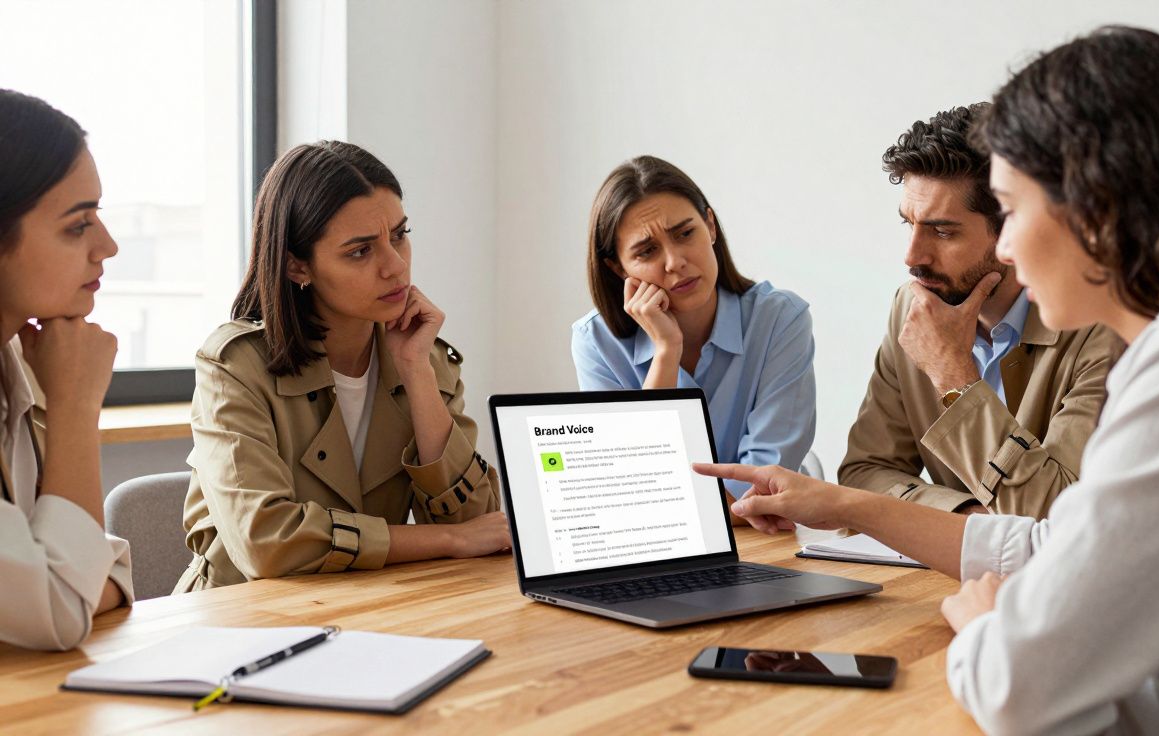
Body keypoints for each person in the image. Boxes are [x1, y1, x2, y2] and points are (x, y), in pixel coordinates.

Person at [696, 26, 1159, 734]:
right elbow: (1060, 546)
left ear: (1097, 208)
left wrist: (987, 625)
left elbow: (1019, 688)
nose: (1010, 247)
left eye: (1012, 211)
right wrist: (843, 504)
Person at [176, 141, 508, 592]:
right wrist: (447, 540)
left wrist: (417, 373)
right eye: (360, 251)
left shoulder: (424, 357)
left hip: (367, 607)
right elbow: (266, 543)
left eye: (400, 235)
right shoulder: (235, 367)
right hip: (238, 615)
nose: (396, 266)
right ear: (297, 267)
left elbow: (481, 526)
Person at [839, 104, 1121, 518]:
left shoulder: (1101, 328)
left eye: (942, 231)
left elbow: (1061, 514)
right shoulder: (912, 309)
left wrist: (954, 377)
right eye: (909, 225)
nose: (912, 257)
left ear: (1011, 230)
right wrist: (966, 517)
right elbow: (865, 473)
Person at [571, 155, 816, 501]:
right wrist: (666, 351)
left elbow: (763, 486)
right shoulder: (596, 342)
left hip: (761, 530)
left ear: (710, 226)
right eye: (647, 251)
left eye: (685, 233)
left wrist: (670, 502)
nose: (675, 262)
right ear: (618, 269)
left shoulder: (780, 319)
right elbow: (629, 486)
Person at [0, 90, 133, 650]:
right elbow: (63, 602)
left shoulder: (16, 364)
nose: (108, 246)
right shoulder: (57, 376)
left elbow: (106, 568)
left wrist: (66, 581)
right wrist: (77, 407)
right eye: (78, 225)